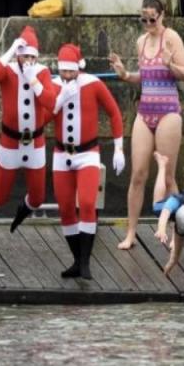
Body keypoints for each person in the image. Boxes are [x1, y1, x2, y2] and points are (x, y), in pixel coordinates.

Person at [109, 0, 184, 250]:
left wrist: (170, 65)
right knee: (138, 174)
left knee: (167, 177)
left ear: (161, 16)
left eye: (151, 20)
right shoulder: (141, 41)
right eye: (143, 20)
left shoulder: (172, 37)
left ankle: (176, 234)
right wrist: (125, 74)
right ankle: (131, 232)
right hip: (145, 111)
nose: (147, 25)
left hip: (168, 111)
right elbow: (143, 78)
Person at [48, 44, 124, 280]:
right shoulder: (54, 86)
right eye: (64, 72)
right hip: (62, 154)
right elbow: (44, 115)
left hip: (88, 152)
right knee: (66, 209)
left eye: (71, 72)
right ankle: (77, 261)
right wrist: (59, 98)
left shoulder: (93, 84)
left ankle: (85, 262)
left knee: (88, 203)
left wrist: (118, 148)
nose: (67, 76)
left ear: (78, 68)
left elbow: (114, 113)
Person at [0, 26, 55, 233]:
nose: (28, 61)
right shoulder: (9, 70)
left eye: (32, 56)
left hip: (35, 142)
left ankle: (23, 211)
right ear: (18, 56)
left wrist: (34, 81)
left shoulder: (42, 72)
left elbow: (50, 101)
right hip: (10, 141)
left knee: (38, 196)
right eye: (24, 56)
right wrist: (11, 50)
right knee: (1, 193)